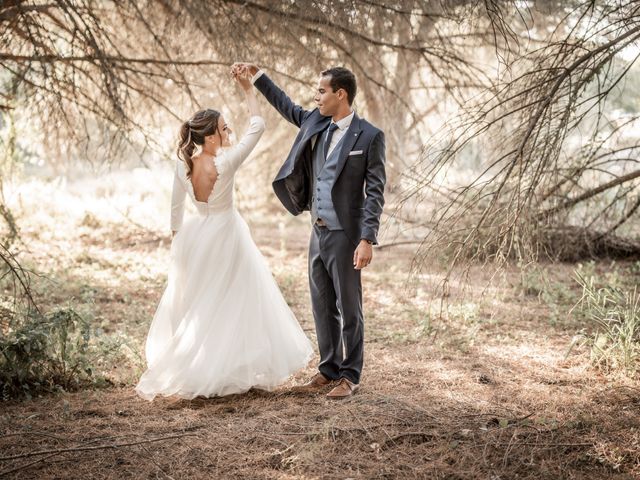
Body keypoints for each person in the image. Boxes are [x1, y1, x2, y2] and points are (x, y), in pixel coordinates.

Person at [135, 68, 313, 401]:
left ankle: (205, 367)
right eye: (224, 127)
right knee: (233, 300)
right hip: (228, 234)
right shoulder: (227, 161)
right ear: (212, 136)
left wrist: (180, 243)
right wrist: (249, 90)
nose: (229, 131)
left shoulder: (183, 163)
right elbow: (258, 127)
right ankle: (222, 367)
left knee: (199, 304)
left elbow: (175, 209)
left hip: (196, 235)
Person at [232, 62, 386, 399]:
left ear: (340, 94)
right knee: (321, 303)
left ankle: (350, 376)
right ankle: (329, 369)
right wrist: (258, 77)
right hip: (317, 231)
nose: (316, 97)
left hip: (346, 235)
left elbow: (375, 192)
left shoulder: (370, 136)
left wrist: (366, 239)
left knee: (349, 307)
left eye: (321, 91)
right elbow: (286, 105)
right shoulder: (316, 121)